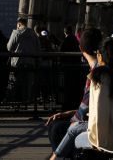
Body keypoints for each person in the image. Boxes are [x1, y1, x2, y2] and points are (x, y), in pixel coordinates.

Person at [47, 27, 102, 159]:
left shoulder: (96, 73)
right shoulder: (101, 68)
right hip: (101, 120)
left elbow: (87, 109)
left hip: (95, 124)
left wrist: (73, 118)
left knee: (56, 128)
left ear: (81, 48)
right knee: (58, 124)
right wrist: (68, 113)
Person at [7, 17, 42, 105]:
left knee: (16, 84)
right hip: (30, 63)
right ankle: (27, 102)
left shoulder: (16, 33)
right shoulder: (33, 34)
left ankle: (16, 103)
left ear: (19, 24)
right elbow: (38, 49)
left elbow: (9, 47)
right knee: (28, 84)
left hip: (18, 63)